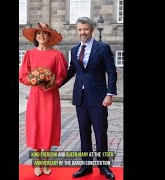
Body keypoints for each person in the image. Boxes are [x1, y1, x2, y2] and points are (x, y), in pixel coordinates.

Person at [60, 17, 117, 180]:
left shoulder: (103, 48)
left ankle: (103, 166)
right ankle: (86, 165)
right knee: (83, 132)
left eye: (85, 29)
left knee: (100, 132)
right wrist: (54, 85)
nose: (82, 32)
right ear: (77, 31)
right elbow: (71, 71)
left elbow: (111, 72)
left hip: (99, 98)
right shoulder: (74, 50)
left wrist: (109, 94)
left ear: (91, 30)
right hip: (80, 97)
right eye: (79, 29)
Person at [19, 22, 68, 176]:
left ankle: (46, 163)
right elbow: (22, 76)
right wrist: (34, 81)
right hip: (36, 95)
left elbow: (61, 75)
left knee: (48, 128)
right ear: (35, 37)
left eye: (45, 33)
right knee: (36, 127)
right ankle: (37, 163)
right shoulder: (29, 54)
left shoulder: (57, 55)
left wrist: (53, 83)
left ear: (49, 36)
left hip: (51, 95)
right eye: (38, 33)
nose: (41, 35)